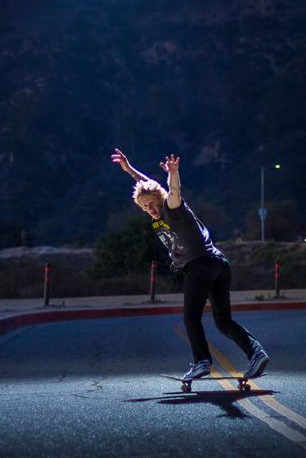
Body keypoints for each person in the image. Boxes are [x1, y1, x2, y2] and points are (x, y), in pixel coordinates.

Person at [111, 147, 270, 382]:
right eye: (145, 207)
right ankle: (256, 353)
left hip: (200, 266)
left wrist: (173, 174)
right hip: (218, 264)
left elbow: (172, 191)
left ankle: (201, 362)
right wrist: (129, 169)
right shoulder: (156, 206)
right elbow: (148, 186)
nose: (151, 210)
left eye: (153, 204)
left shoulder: (172, 209)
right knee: (223, 322)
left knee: (190, 318)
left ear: (160, 199)